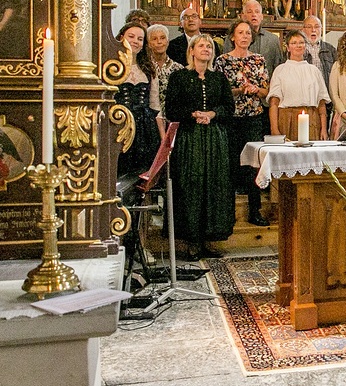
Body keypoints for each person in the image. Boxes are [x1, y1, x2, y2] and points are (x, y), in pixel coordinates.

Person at [165, 34, 235, 258]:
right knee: (191, 185)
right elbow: (171, 109)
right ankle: (192, 240)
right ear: (192, 50)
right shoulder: (179, 77)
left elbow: (229, 107)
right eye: (202, 45)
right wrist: (193, 114)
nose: (206, 49)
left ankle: (210, 238)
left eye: (209, 46)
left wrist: (212, 114)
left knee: (214, 184)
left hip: (214, 139)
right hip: (190, 138)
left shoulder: (218, 78)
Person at [215, 19, 270, 226]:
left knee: (253, 165)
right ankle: (227, 214)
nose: (245, 36)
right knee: (230, 165)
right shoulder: (223, 61)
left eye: (248, 33)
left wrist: (256, 90)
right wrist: (240, 90)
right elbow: (219, 93)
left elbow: (266, 91)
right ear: (233, 36)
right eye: (241, 32)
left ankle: (255, 211)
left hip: (253, 117)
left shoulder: (258, 60)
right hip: (231, 119)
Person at [115, 23, 165, 178]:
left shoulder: (148, 68)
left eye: (140, 39)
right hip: (119, 124)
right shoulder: (111, 66)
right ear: (121, 38)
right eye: (131, 37)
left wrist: (163, 137)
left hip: (145, 128)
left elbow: (155, 105)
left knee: (142, 172)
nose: (135, 41)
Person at [268, 30, 330, 141]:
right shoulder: (280, 70)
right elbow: (274, 103)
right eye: (294, 43)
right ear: (288, 47)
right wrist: (274, 129)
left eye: (301, 42)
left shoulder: (314, 70)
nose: (298, 46)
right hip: (287, 118)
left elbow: (321, 102)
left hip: (311, 119)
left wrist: (324, 129)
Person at [223, 0, 283, 80]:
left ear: (262, 16)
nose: (254, 15)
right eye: (249, 12)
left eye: (257, 12)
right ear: (243, 16)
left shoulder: (273, 40)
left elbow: (278, 67)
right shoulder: (232, 38)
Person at [301, 15, 337, 127]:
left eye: (317, 27)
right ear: (303, 30)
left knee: (324, 131)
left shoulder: (330, 49)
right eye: (309, 27)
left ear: (321, 29)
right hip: (305, 99)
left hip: (325, 98)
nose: (313, 30)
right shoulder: (298, 49)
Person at [145, 23, 183, 122]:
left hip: (173, 120)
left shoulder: (178, 68)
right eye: (154, 39)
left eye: (162, 38)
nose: (159, 42)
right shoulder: (144, 68)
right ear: (148, 43)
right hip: (149, 120)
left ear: (167, 41)